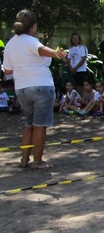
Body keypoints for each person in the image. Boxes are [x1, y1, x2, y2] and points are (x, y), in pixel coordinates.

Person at [3, 9, 67, 169]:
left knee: (29, 124)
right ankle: (38, 161)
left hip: (22, 88)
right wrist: (56, 53)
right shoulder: (31, 41)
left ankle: (24, 159)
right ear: (33, 26)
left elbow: (8, 71)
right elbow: (41, 50)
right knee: (40, 125)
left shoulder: (10, 44)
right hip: (41, 86)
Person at [66, 32, 88, 96]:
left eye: (76, 38)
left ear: (79, 39)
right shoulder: (71, 48)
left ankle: (83, 98)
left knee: (81, 86)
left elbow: (83, 59)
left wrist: (76, 68)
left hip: (81, 70)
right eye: (73, 38)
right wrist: (71, 68)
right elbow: (68, 59)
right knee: (76, 86)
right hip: (73, 71)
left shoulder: (82, 47)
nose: (75, 40)